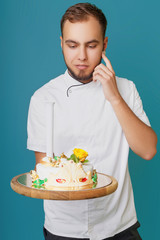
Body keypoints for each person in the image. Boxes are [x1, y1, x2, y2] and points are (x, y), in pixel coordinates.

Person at [27, 3, 157, 240]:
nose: (82, 56)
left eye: (92, 45)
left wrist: (114, 97)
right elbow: (44, 171)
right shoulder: (43, 98)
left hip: (119, 225)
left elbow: (148, 150)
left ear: (104, 44)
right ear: (61, 43)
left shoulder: (126, 89)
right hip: (64, 228)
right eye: (72, 45)